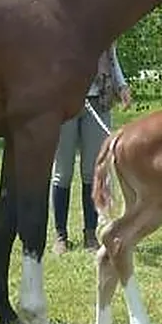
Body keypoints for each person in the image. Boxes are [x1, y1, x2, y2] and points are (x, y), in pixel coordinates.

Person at [52, 44, 132, 255]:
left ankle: (90, 233)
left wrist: (122, 86)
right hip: (65, 101)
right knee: (63, 172)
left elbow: (112, 56)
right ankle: (60, 236)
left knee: (93, 171)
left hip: (99, 100)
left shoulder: (102, 21)